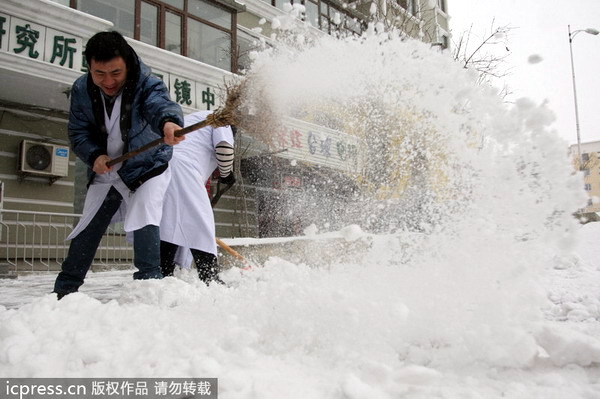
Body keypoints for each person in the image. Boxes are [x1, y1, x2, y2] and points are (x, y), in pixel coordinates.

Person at [53, 31, 184, 298]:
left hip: (147, 166)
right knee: (89, 226)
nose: (108, 81)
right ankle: (64, 292)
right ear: (89, 66)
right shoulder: (81, 89)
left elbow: (158, 105)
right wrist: (94, 155)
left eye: (115, 72)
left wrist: (168, 122)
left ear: (128, 63)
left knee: (146, 213)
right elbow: (79, 132)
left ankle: (149, 286)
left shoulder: (146, 82)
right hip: (108, 168)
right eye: (99, 73)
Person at [159, 110, 235, 284]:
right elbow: (224, 148)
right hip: (184, 168)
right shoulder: (222, 120)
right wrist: (226, 174)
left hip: (164, 165)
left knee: (169, 223)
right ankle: (209, 276)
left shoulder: (197, 118)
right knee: (201, 222)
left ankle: (164, 274)